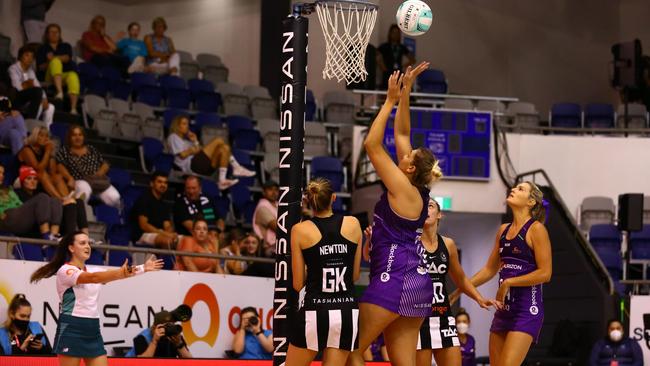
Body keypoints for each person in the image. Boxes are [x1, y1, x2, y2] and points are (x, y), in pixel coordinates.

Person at [346, 63, 440, 366]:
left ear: (410, 168)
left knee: (351, 350)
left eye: (408, 156)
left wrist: (388, 101)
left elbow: (372, 144)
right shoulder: (416, 187)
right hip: (416, 279)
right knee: (404, 363)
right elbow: (402, 131)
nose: (404, 153)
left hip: (395, 275)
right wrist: (406, 92)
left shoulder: (402, 186)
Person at [30, 232, 163, 366]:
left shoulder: (94, 270)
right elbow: (94, 278)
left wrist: (143, 268)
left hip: (93, 328)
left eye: (88, 243)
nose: (87, 246)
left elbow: (114, 275)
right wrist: (120, 272)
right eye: (82, 243)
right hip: (71, 327)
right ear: (71, 248)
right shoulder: (65, 271)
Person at [459, 181, 552, 366]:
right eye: (515, 187)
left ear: (531, 202)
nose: (513, 190)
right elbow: (489, 270)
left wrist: (509, 282)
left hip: (527, 310)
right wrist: (462, 288)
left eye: (520, 189)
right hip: (504, 311)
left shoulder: (536, 229)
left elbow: (545, 273)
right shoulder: (503, 230)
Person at [286, 178, 363, 366]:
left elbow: (297, 284)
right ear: (333, 198)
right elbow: (354, 276)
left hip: (316, 309)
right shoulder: (353, 224)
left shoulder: (300, 230)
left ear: (308, 202)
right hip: (346, 311)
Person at [414, 198, 497, 366]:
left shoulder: (448, 244)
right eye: (422, 207)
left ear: (439, 214)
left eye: (430, 206)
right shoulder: (411, 242)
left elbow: (461, 279)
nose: (426, 210)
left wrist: (479, 298)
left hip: (444, 317)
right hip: (418, 319)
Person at [167, 115, 254, 190]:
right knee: (219, 140)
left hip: (202, 167)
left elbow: (200, 151)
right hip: (191, 166)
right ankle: (237, 167)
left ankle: (222, 180)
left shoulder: (187, 141)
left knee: (225, 148)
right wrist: (193, 150)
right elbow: (182, 155)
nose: (187, 126)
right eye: (184, 124)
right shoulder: (173, 137)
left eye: (187, 124)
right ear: (177, 126)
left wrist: (195, 141)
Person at [55, 125, 121, 207]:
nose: (77, 138)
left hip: (97, 181)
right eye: (74, 135)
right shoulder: (64, 151)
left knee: (114, 197)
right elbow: (60, 166)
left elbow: (105, 163)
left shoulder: (91, 149)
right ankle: (79, 212)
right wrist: (69, 178)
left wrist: (101, 172)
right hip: (79, 180)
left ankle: (116, 216)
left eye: (80, 135)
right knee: (85, 189)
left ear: (83, 137)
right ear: (69, 137)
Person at [16, 165, 88, 237]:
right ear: (22, 181)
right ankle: (70, 238)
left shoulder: (39, 192)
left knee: (78, 202)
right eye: (29, 178)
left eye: (35, 179)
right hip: (36, 224)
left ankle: (85, 236)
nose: (33, 181)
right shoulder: (17, 193)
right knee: (67, 204)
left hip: (50, 219)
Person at [0, 163, 61, 240]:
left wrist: (28, 210)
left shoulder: (8, 189)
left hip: (17, 214)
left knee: (55, 200)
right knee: (42, 197)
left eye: (3, 173)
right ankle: (46, 236)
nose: (2, 175)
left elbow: (18, 203)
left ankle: (53, 235)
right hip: (6, 217)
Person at [19, 126, 74, 199]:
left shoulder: (44, 151)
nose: (45, 139)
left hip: (39, 179)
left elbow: (52, 172)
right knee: (43, 174)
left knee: (57, 177)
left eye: (47, 136)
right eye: (41, 135)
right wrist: (47, 152)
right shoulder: (27, 149)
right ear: (35, 136)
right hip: (22, 177)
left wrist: (51, 153)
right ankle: (61, 199)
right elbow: (38, 169)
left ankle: (67, 198)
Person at [36, 23, 80, 114]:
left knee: (73, 75)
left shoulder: (65, 46)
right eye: (52, 32)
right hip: (49, 76)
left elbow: (67, 58)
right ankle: (60, 92)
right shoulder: (42, 48)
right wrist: (50, 62)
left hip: (62, 75)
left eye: (57, 32)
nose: (54, 34)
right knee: (55, 62)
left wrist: (53, 58)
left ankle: (73, 108)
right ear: (47, 34)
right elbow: (40, 67)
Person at [8, 46, 54, 129]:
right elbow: (17, 87)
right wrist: (29, 86)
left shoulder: (30, 71)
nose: (30, 58)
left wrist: (44, 98)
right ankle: (30, 124)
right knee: (36, 92)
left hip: (32, 98)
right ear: (21, 56)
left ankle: (45, 131)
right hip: (17, 98)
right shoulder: (13, 68)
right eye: (27, 55)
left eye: (32, 56)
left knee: (50, 107)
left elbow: (37, 86)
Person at [131, 171, 178, 249]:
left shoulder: (164, 204)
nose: (163, 185)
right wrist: (165, 234)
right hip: (142, 235)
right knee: (167, 240)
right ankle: (167, 261)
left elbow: (167, 225)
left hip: (160, 234)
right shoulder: (144, 199)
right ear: (152, 184)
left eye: (165, 183)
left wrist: (171, 233)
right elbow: (144, 225)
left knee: (184, 241)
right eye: (159, 182)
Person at [127, 310, 192, 358]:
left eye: (171, 325)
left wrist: (179, 344)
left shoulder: (174, 335)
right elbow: (141, 363)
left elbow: (190, 361)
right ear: (155, 327)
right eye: (165, 326)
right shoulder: (142, 337)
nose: (167, 329)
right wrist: (154, 341)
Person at [377, 24, 415, 89]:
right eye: (393, 32)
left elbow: (413, 60)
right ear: (390, 33)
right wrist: (383, 68)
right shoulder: (384, 46)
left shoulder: (402, 47)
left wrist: (403, 66)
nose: (395, 35)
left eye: (397, 33)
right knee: (386, 91)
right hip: (387, 73)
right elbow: (376, 56)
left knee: (402, 90)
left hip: (398, 73)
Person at [253, 180, 278, 257]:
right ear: (263, 192)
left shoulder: (278, 204)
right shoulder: (262, 207)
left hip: (278, 246)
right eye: (270, 189)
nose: (274, 192)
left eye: (276, 190)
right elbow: (279, 228)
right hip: (268, 249)